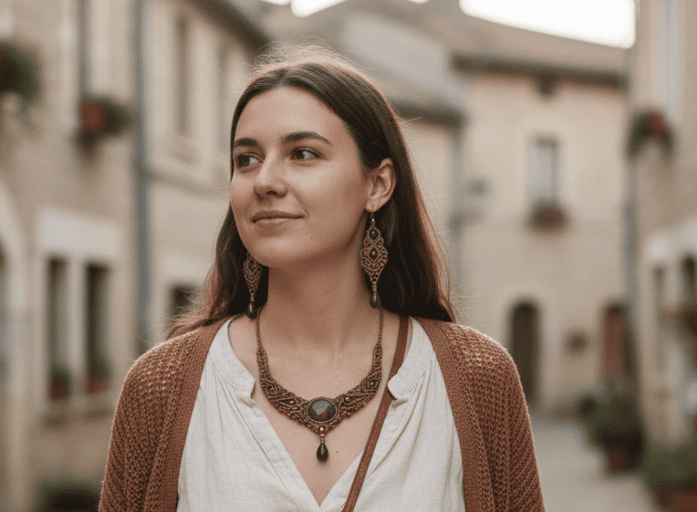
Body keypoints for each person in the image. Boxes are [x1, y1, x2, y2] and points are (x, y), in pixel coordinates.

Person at [99, 46, 545, 512]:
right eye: (246, 159)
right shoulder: (160, 388)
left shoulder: (477, 380)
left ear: (377, 185)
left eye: (303, 153)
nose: (264, 181)